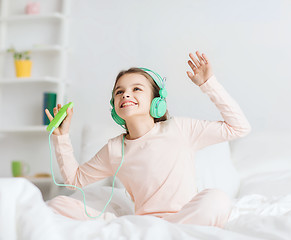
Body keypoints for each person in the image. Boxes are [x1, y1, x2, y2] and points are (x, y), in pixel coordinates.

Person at [45, 51, 251, 228]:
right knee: (58, 205)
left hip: (186, 218)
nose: (126, 94)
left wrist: (208, 84)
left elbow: (239, 127)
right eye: (119, 91)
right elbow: (75, 181)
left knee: (217, 199)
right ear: (115, 106)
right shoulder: (115, 148)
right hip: (143, 224)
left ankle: (162, 232)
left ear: (156, 101)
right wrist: (61, 138)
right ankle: (146, 231)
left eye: (136, 89)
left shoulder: (180, 128)